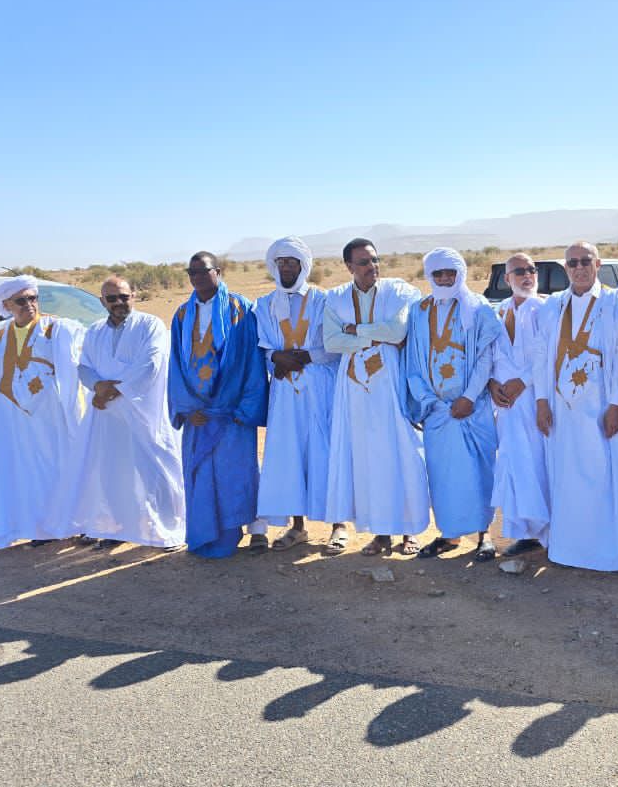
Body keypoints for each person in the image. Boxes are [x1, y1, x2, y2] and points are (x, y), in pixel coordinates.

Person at [533, 241, 618, 572]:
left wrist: (616, 404)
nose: (579, 268)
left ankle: (611, 553)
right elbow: (541, 356)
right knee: (567, 479)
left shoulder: (616, 302)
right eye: (572, 263)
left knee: (604, 476)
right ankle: (569, 550)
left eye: (585, 261)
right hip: (562, 410)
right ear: (566, 268)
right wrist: (541, 401)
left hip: (601, 407)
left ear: (598, 264)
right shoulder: (553, 306)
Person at [323, 238, 429, 555]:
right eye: (364, 262)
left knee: (402, 452)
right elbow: (331, 342)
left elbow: (398, 332)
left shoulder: (399, 291)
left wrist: (355, 329)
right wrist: (375, 333)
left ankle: (410, 531)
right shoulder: (336, 298)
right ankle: (380, 533)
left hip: (391, 387)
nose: (372, 267)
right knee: (367, 458)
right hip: (354, 392)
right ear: (349, 267)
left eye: (374, 260)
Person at [65, 276, 185, 551]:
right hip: (107, 414)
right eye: (112, 298)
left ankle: (168, 530)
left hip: (144, 412)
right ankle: (121, 528)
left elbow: (151, 364)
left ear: (134, 295)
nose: (119, 302)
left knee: (156, 469)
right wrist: (97, 386)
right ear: (102, 301)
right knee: (115, 472)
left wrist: (113, 391)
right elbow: (83, 366)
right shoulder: (95, 331)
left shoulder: (150, 325)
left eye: (124, 296)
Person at [0, 274, 85, 548]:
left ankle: (72, 523)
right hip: (15, 419)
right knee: (27, 473)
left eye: (33, 298)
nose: (29, 305)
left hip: (50, 416)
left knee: (59, 468)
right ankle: (42, 528)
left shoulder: (57, 328)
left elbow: (76, 356)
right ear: (7, 305)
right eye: (21, 301)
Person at [168, 252, 268, 559]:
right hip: (198, 414)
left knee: (239, 473)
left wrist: (245, 409)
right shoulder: (182, 315)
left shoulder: (240, 309)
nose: (198, 277)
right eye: (192, 272)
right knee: (201, 474)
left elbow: (252, 361)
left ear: (218, 272)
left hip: (232, 412)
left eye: (204, 270)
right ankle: (207, 534)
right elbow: (175, 365)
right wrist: (187, 409)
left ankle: (257, 531)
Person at [406, 248, 503, 561]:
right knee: (443, 476)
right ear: (430, 275)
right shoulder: (419, 310)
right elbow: (413, 361)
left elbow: (487, 356)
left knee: (479, 472)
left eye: (451, 273)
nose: (445, 278)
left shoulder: (479, 308)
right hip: (437, 411)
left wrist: (468, 397)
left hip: (473, 408)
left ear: (461, 274)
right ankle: (449, 535)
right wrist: (428, 401)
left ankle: (484, 535)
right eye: (439, 273)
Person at [252, 237, 345, 554]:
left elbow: (334, 344)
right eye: (282, 263)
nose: (287, 268)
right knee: (289, 453)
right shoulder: (264, 305)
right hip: (285, 390)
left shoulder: (324, 300)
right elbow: (263, 345)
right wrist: (276, 358)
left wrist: (306, 357)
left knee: (325, 450)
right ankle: (297, 526)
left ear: (303, 266)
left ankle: (338, 525)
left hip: (319, 387)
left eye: (292, 263)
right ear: (274, 266)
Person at [488, 252, 550, 557]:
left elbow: (548, 354)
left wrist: (523, 381)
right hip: (507, 407)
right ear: (507, 278)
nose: (527, 276)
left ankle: (551, 534)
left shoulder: (546, 309)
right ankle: (526, 532)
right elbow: (490, 354)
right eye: (520, 271)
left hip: (536, 400)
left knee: (540, 464)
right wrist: (492, 384)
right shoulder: (499, 311)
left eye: (531, 270)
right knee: (515, 465)